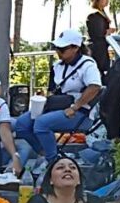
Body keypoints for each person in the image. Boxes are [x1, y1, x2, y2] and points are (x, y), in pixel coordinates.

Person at [14, 30, 101, 164]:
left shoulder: (88, 65)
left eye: (62, 49)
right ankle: (45, 152)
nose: (58, 52)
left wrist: (75, 107)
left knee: (41, 124)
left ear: (76, 48)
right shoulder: (56, 66)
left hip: (80, 112)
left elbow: (95, 87)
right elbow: (52, 90)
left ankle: (53, 161)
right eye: (57, 48)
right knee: (21, 124)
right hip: (58, 106)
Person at [86, 0, 114, 76]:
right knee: (97, 72)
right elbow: (98, 32)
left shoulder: (102, 13)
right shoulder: (94, 15)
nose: (107, 0)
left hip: (102, 47)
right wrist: (108, 31)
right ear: (97, 0)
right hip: (96, 48)